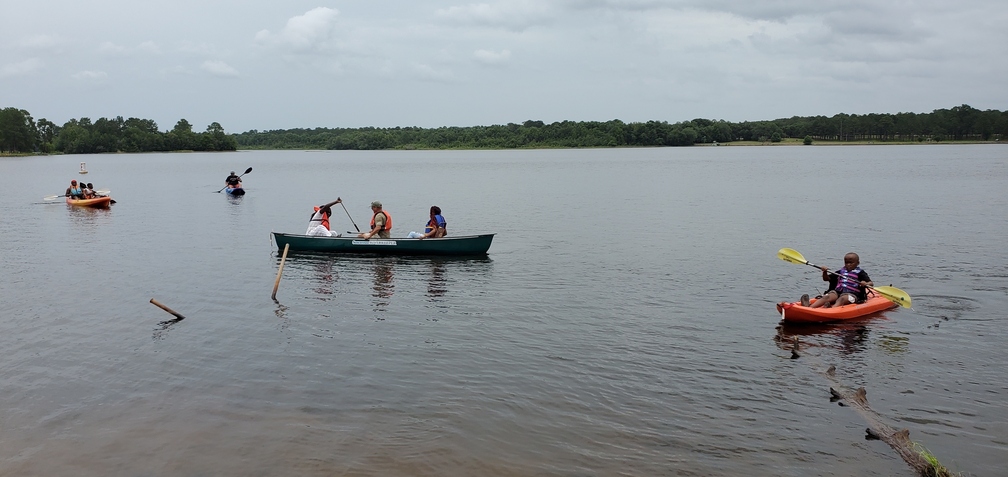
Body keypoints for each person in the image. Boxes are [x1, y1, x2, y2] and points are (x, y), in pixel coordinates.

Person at [802, 252, 873, 308]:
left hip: (852, 294)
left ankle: (831, 309)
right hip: (838, 292)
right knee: (827, 297)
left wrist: (866, 284)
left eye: (851, 263)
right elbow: (826, 279)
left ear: (857, 263)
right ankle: (810, 307)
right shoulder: (840, 272)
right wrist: (825, 272)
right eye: (846, 262)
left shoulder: (860, 273)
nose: (848, 265)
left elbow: (871, 283)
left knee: (841, 299)